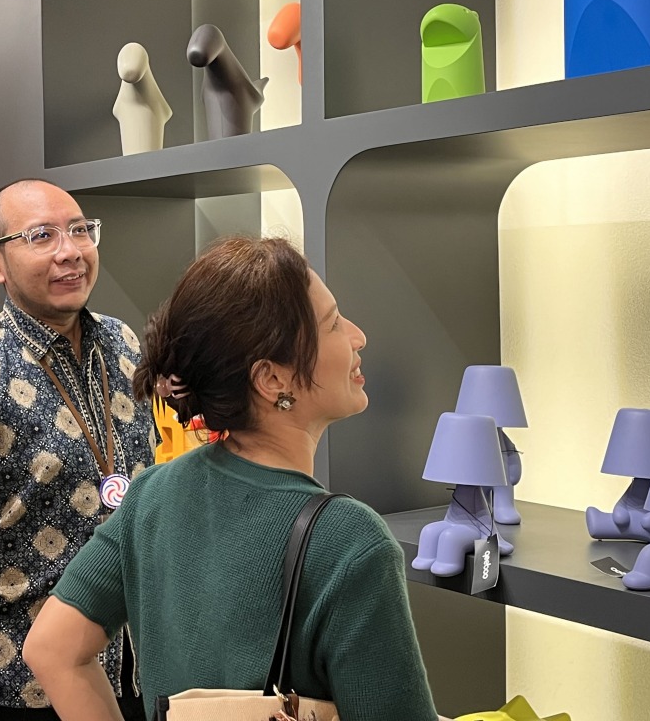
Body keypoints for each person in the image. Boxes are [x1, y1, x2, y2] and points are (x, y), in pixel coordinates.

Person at [23, 236, 440, 721]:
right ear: (272, 379)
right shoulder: (349, 541)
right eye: (332, 323)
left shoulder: (151, 495)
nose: (357, 336)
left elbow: (51, 649)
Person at [0, 179, 155, 720]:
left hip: (132, 670)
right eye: (42, 236)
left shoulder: (123, 344)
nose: (70, 251)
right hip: (20, 685)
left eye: (79, 231)